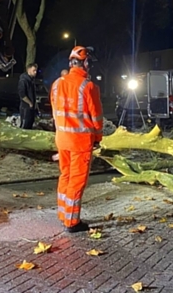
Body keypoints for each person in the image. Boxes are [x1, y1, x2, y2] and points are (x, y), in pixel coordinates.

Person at [51, 46, 103, 233]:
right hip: (80, 142)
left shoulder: (57, 84)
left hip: (62, 139)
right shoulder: (88, 86)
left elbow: (55, 112)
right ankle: (72, 222)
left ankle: (63, 214)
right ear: (85, 63)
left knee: (65, 175)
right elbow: (96, 118)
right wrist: (97, 138)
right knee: (77, 180)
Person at [18, 63, 38, 130]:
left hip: (30, 107)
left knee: (29, 125)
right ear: (29, 70)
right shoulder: (23, 80)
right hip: (25, 107)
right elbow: (22, 94)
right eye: (34, 70)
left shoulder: (31, 80)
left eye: (36, 70)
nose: (35, 72)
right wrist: (30, 103)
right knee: (24, 126)